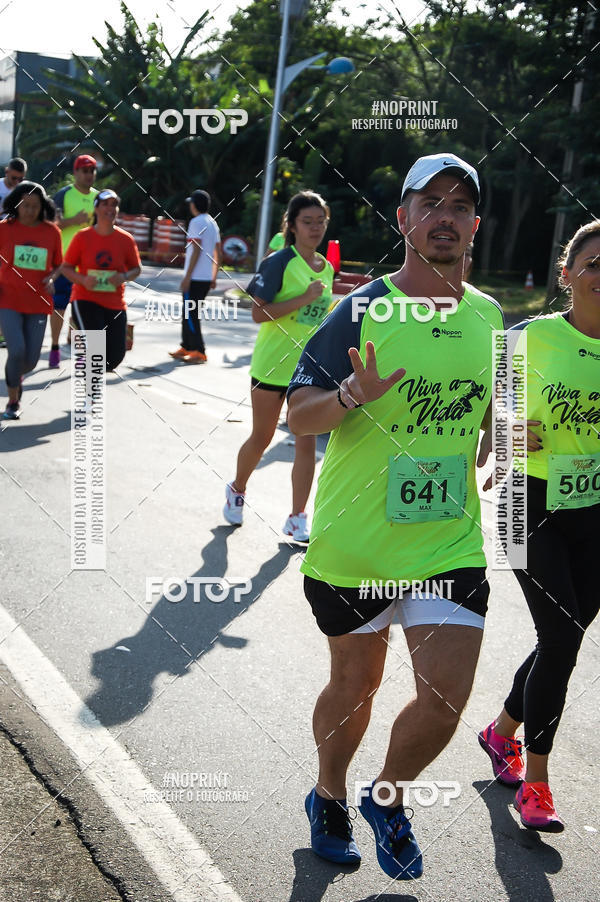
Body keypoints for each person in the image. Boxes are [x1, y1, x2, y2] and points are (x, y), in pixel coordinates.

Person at [287, 154, 503, 879]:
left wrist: (502, 434)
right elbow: (299, 415)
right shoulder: (361, 308)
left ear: (476, 224)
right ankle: (328, 794)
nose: (446, 215)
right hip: (356, 545)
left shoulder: (489, 316)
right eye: (430, 202)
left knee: (444, 702)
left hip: (448, 540)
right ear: (403, 218)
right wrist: (352, 393)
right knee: (357, 689)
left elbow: (487, 415)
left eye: (461, 205)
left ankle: (388, 796)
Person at [477, 220, 600, 833]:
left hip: (596, 512)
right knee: (561, 640)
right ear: (567, 272)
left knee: (566, 637)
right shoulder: (527, 339)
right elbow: (489, 424)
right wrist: (506, 433)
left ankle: (501, 732)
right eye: (594, 262)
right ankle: (538, 783)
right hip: (528, 502)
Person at [223, 190, 334, 542]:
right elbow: (258, 312)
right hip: (272, 366)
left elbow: (318, 318)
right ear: (293, 225)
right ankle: (237, 488)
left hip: (309, 370)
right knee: (263, 437)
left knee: (306, 442)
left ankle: (297, 517)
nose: (315, 228)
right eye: (308, 222)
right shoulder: (278, 262)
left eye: (321, 221)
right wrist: (303, 298)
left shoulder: (327, 268)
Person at [0, 182, 62, 419]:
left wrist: (52, 278)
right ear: (16, 204)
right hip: (8, 299)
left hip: (38, 302)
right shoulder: (4, 228)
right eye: (25, 205)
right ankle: (13, 402)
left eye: (35, 206)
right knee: (16, 350)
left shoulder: (51, 232)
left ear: (42, 207)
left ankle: (16, 375)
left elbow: (58, 265)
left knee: (32, 360)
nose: (29, 210)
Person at [61, 189, 141, 372]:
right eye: (105, 204)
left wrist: (123, 277)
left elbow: (136, 269)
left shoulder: (125, 239)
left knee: (114, 358)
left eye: (114, 204)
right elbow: (66, 267)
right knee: (96, 349)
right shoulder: (82, 237)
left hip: (114, 303)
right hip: (85, 299)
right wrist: (82, 279)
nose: (110, 208)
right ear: (96, 208)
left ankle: (89, 358)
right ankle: (90, 392)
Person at [50, 154, 99, 367]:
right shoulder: (64, 195)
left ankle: (81, 352)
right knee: (59, 306)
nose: (88, 175)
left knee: (85, 308)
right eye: (84, 171)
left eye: (92, 171)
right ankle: (54, 347)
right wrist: (74, 221)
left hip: (88, 264)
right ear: (76, 172)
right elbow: (51, 224)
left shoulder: (100, 198)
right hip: (63, 262)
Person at [169, 189, 221, 364]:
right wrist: (214, 276)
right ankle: (186, 346)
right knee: (189, 313)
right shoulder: (212, 222)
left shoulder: (196, 222)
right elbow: (218, 251)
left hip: (195, 277)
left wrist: (187, 277)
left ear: (195, 205)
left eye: (191, 202)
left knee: (191, 314)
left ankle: (199, 350)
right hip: (205, 277)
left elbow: (197, 249)